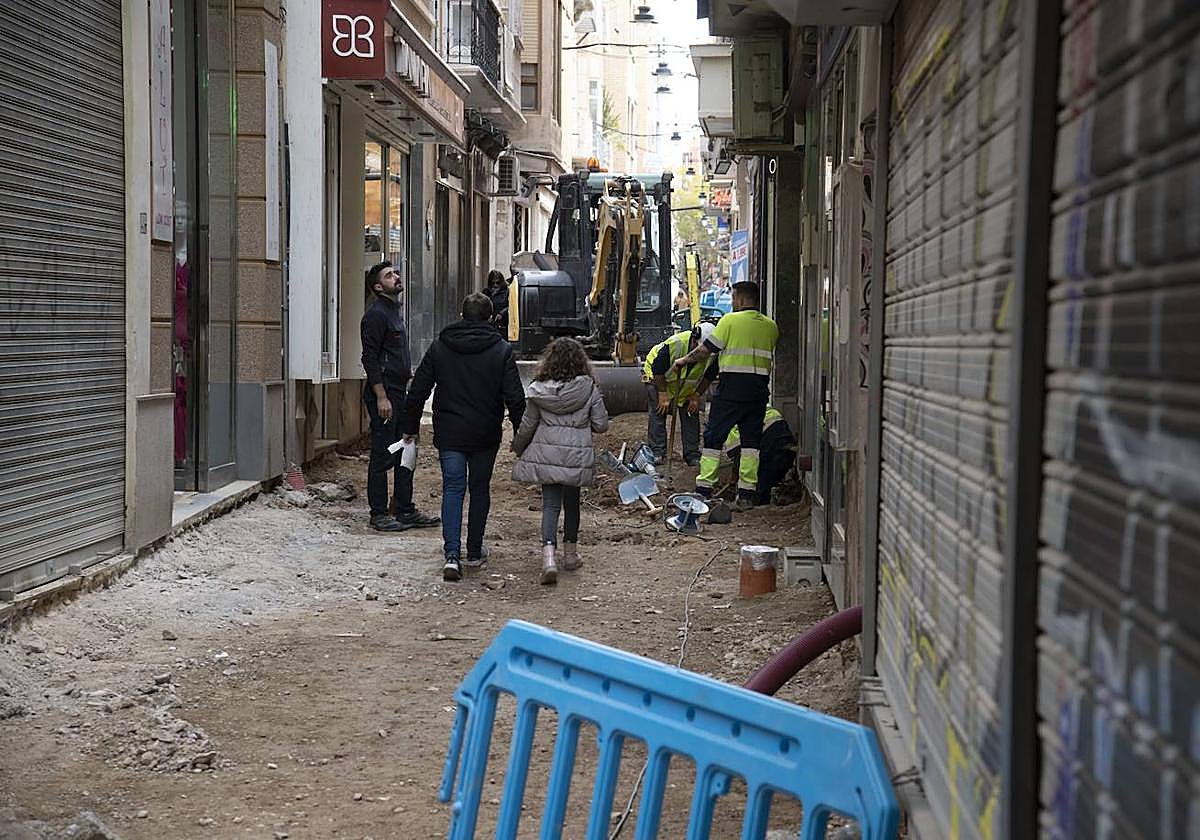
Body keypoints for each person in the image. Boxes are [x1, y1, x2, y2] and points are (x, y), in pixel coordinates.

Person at [402, 293, 526, 582]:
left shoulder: (440, 346)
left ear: (461, 315)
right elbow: (515, 399)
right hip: (485, 432)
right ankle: (473, 550)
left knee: (453, 488)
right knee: (480, 489)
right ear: (492, 318)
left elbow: (419, 389)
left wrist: (410, 427)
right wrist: (523, 436)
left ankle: (451, 556)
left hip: (450, 432)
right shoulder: (501, 351)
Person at [671, 280, 778, 509]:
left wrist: (683, 360)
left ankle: (703, 489)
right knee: (751, 444)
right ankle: (747, 494)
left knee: (713, 439)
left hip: (731, 392)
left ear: (739, 298)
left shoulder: (729, 321)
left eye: (733, 298)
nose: (732, 302)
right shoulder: (771, 327)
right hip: (758, 393)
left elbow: (705, 351)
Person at [511, 338, 610, 586]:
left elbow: (527, 425)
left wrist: (518, 447)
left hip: (547, 455)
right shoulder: (589, 389)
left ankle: (548, 560)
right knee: (572, 504)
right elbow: (601, 425)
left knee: (550, 506)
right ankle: (571, 556)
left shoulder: (538, 389)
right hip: (576, 455)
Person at [360, 261, 440, 532]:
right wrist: (381, 397)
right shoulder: (376, 315)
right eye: (389, 275)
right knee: (383, 454)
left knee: (407, 448)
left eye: (396, 273)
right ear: (378, 287)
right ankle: (379, 513)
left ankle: (404, 508)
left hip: (399, 392)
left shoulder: (395, 312)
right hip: (385, 395)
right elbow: (369, 359)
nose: (396, 277)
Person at [642, 321, 717, 466]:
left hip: (684, 387)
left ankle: (692, 453)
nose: (703, 354)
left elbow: (710, 376)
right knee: (659, 412)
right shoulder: (676, 344)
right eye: (700, 349)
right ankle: (657, 451)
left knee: (691, 413)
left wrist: (696, 395)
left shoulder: (712, 354)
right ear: (694, 340)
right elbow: (658, 369)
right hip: (657, 378)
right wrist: (663, 394)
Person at [722, 406, 797, 504]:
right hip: (785, 442)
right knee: (772, 474)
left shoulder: (730, 431)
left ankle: (759, 501)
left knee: (762, 481)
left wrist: (735, 478)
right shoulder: (742, 411)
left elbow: (740, 457)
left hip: (772, 447)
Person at [485, 269, 510, 334]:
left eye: (497, 283)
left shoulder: (507, 292)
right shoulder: (486, 292)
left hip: (503, 325)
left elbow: (511, 306)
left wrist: (502, 313)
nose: (495, 285)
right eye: (493, 283)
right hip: (490, 325)